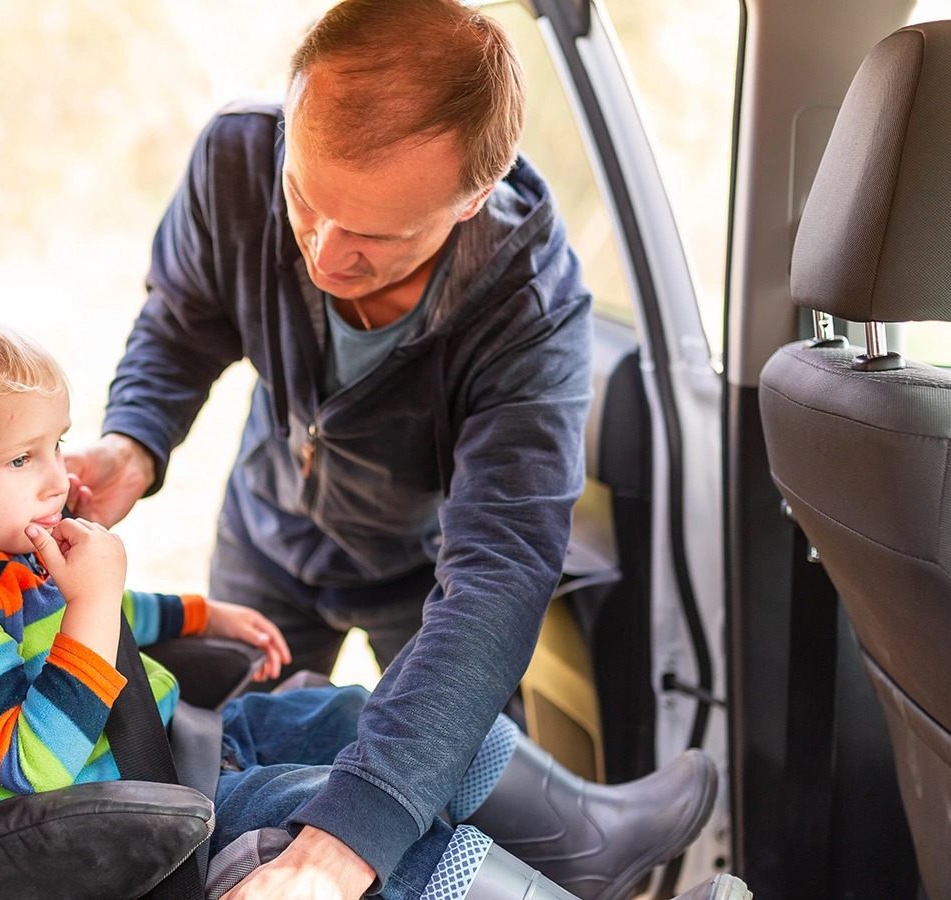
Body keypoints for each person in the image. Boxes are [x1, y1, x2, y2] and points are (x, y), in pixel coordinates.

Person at [62, 1, 720, 898]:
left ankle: (575, 848)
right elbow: (184, 322)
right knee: (253, 742)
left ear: (471, 200)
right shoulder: (235, 161)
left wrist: (345, 843)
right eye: (305, 202)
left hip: (424, 577)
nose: (328, 254)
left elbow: (498, 575)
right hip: (270, 532)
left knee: (431, 769)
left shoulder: (529, 307)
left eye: (377, 237)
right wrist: (132, 444)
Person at [0, 308, 713, 900]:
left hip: (189, 746)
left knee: (375, 715)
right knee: (352, 814)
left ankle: (585, 840)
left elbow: (110, 609)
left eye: (56, 446)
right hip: (146, 818)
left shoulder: (6, 551)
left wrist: (197, 616)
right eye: (20, 459)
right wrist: (95, 607)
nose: (59, 476)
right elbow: (39, 763)